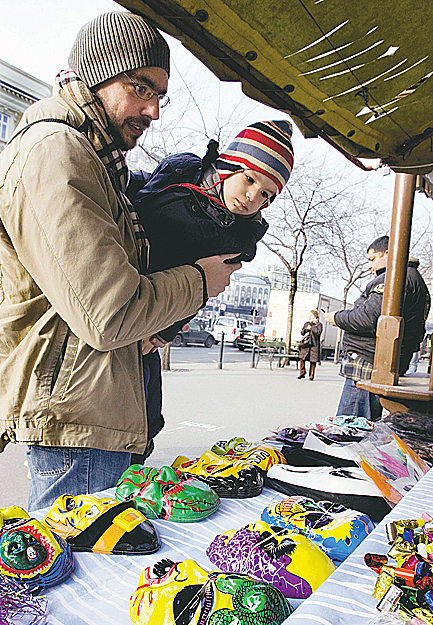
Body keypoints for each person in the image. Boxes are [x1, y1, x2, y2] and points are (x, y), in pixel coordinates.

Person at [0, 11, 242, 511]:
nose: (154, 111)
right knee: (66, 575)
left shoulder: (94, 157)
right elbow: (107, 315)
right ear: (96, 73)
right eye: (140, 88)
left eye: (160, 95)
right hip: (78, 417)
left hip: (91, 408)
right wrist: (201, 280)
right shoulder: (57, 152)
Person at [126, 120, 294, 452]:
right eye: (249, 179)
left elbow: (204, 290)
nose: (252, 197)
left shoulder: (238, 237)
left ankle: (135, 466)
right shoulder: (180, 169)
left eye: (266, 195)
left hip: (158, 310)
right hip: (123, 282)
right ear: (229, 165)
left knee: (145, 417)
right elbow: (135, 195)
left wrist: (164, 333)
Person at [324, 235, 430, 421]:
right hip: (377, 359)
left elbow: (368, 318)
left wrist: (337, 317)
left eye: (372, 259)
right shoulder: (410, 277)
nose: (369, 266)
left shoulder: (394, 278)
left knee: (351, 427)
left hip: (369, 360)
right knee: (357, 423)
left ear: (388, 253)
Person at [298, 310, 323, 380]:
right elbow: (302, 332)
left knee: (313, 361)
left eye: (311, 315)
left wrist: (311, 328)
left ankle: (311, 375)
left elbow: (318, 332)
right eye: (310, 315)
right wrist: (305, 330)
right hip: (306, 344)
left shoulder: (319, 325)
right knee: (302, 358)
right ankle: (302, 373)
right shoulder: (307, 323)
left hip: (314, 345)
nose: (310, 317)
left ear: (315, 316)